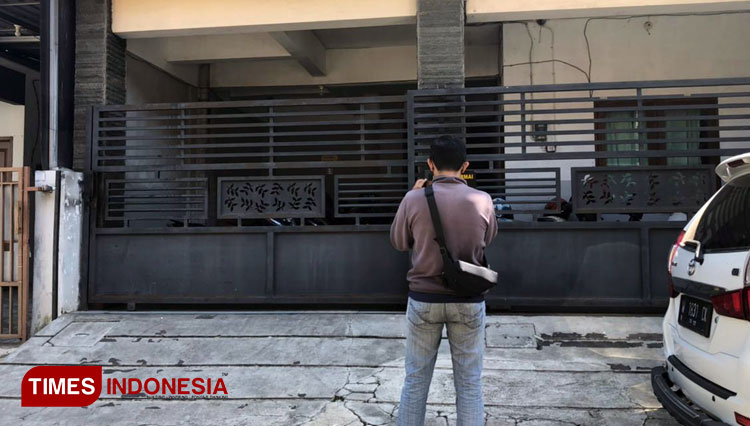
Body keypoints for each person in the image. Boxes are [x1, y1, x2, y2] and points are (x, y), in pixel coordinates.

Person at [390, 135, 498, 426]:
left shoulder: (414, 198)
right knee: (469, 383)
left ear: (430, 164)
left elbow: (399, 242)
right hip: (468, 301)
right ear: (465, 165)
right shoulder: (482, 200)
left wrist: (411, 198)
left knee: (415, 380)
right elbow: (487, 240)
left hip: (424, 300)